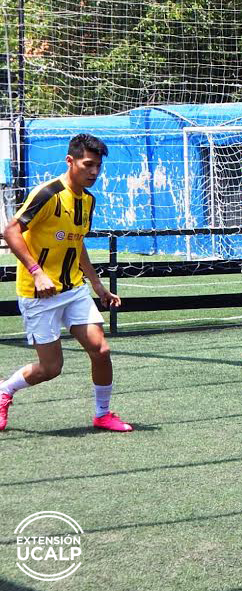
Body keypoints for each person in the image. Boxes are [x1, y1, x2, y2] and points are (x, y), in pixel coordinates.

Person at [0, 133, 132, 432]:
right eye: (88, 165)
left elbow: (77, 243)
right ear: (70, 161)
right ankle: (5, 390)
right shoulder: (48, 194)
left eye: (98, 166)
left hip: (73, 289)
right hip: (39, 293)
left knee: (101, 350)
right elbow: (10, 231)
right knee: (50, 368)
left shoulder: (88, 201)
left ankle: (102, 414)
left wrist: (97, 285)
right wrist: (37, 271)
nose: (94, 172)